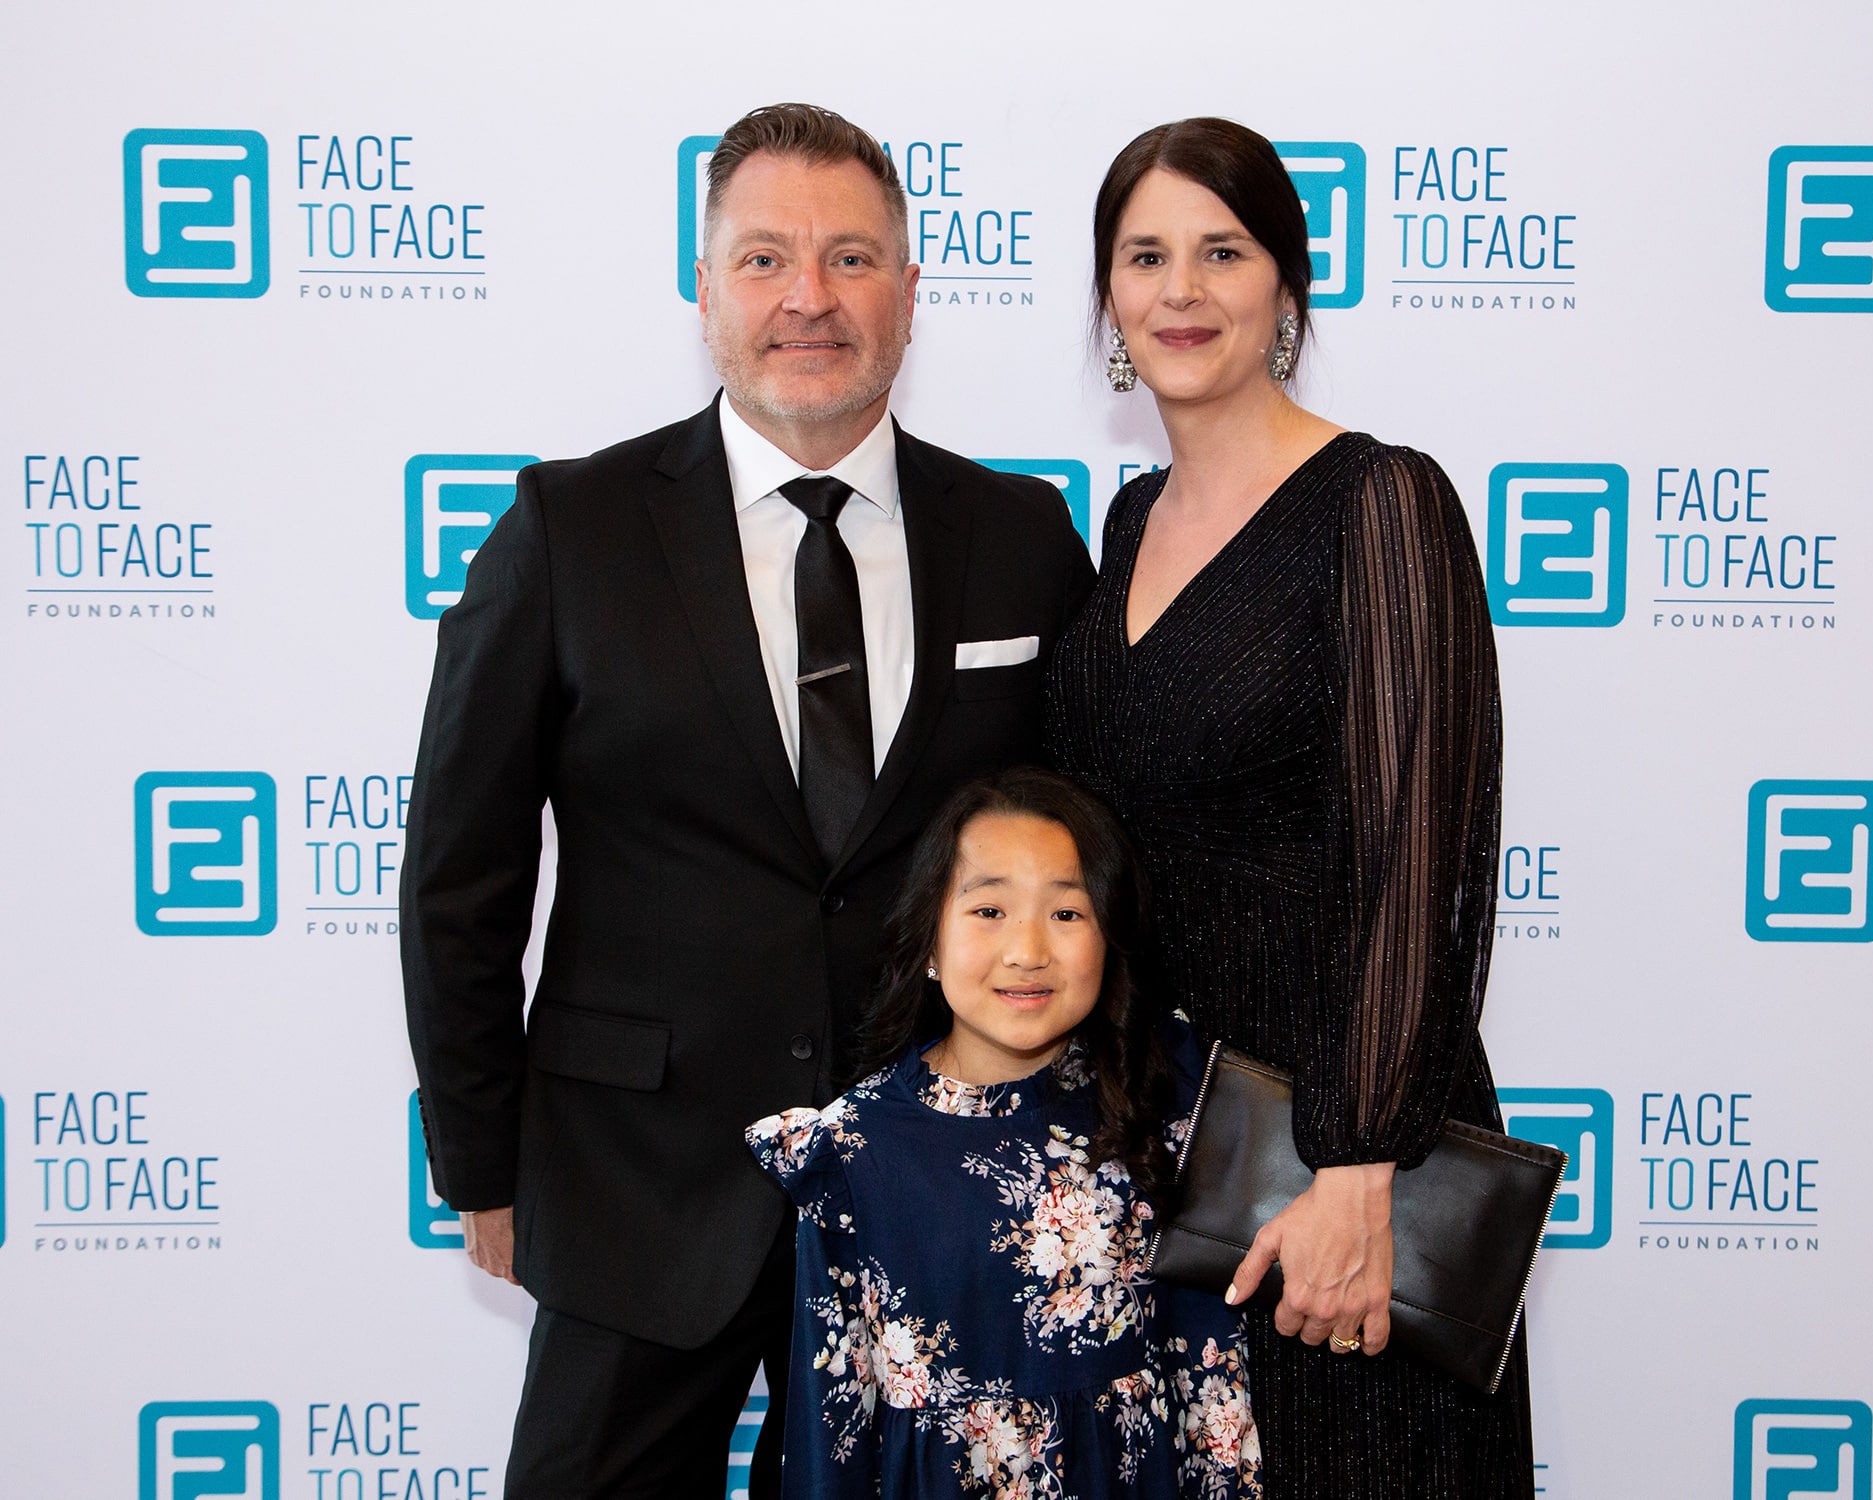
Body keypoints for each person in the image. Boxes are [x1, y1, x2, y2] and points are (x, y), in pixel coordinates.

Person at [400, 103, 1095, 1498]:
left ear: (910, 291)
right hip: (637, 1186)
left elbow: (1085, 859)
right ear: (704, 287)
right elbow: (459, 881)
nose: (810, 299)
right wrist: (484, 1164)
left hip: (940, 1190)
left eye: (851, 259)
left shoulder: (1021, 536)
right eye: (766, 258)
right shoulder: (568, 529)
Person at [1043, 119, 1528, 1497]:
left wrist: (1359, 1163)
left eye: (1222, 251)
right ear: (1110, 302)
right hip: (1161, 1133)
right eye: (1145, 256)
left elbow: (1422, 857)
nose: (1181, 289)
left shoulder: (1383, 502)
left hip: (1327, 1143)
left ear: (1287, 289)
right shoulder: (1129, 520)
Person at [746, 766, 1261, 1498]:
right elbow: (832, 1415)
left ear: (1110, 938)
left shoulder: (1161, 1105)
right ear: (927, 941)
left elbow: (1211, 1374)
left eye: (1067, 914)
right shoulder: (854, 1148)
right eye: (989, 912)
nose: (1027, 951)